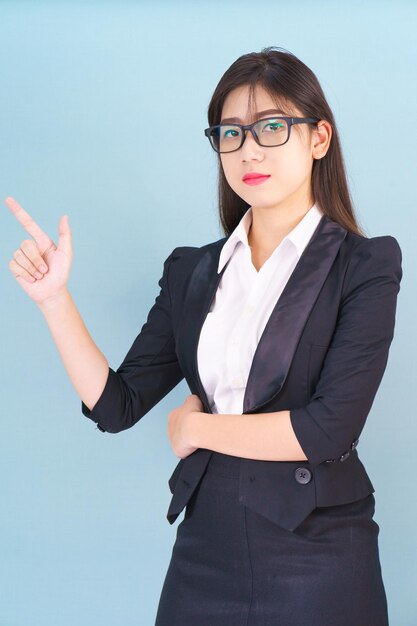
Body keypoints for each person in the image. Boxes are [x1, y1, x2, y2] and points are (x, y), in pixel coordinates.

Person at [6, 46, 402, 625]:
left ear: (318, 138)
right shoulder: (191, 270)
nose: (249, 150)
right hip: (205, 545)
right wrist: (54, 300)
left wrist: (195, 427)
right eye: (230, 133)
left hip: (319, 548)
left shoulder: (364, 265)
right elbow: (116, 405)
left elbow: (326, 429)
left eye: (272, 126)